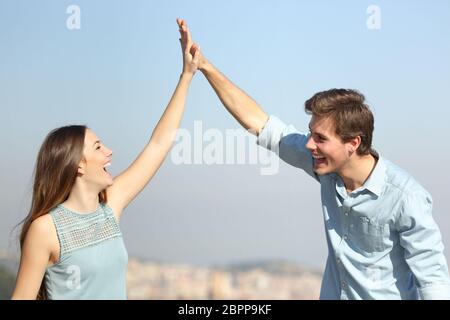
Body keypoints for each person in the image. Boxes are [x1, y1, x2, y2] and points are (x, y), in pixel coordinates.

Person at [177, 19, 450, 299]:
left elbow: (434, 284)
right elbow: (260, 123)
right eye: (310, 134)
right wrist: (205, 67)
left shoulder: (406, 198)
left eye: (320, 138)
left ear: (353, 143)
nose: (309, 145)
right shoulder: (325, 169)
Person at [11, 20, 201, 300]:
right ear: (78, 164)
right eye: (98, 147)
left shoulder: (110, 206)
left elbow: (158, 145)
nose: (109, 151)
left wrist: (186, 76)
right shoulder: (45, 229)